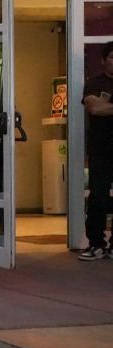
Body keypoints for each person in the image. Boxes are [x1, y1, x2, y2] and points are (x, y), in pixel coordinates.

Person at [79, 41, 113, 261]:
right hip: (101, 150)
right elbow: (94, 107)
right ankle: (96, 244)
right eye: (111, 57)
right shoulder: (93, 83)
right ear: (103, 60)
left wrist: (107, 106)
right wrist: (102, 106)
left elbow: (103, 107)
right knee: (98, 197)